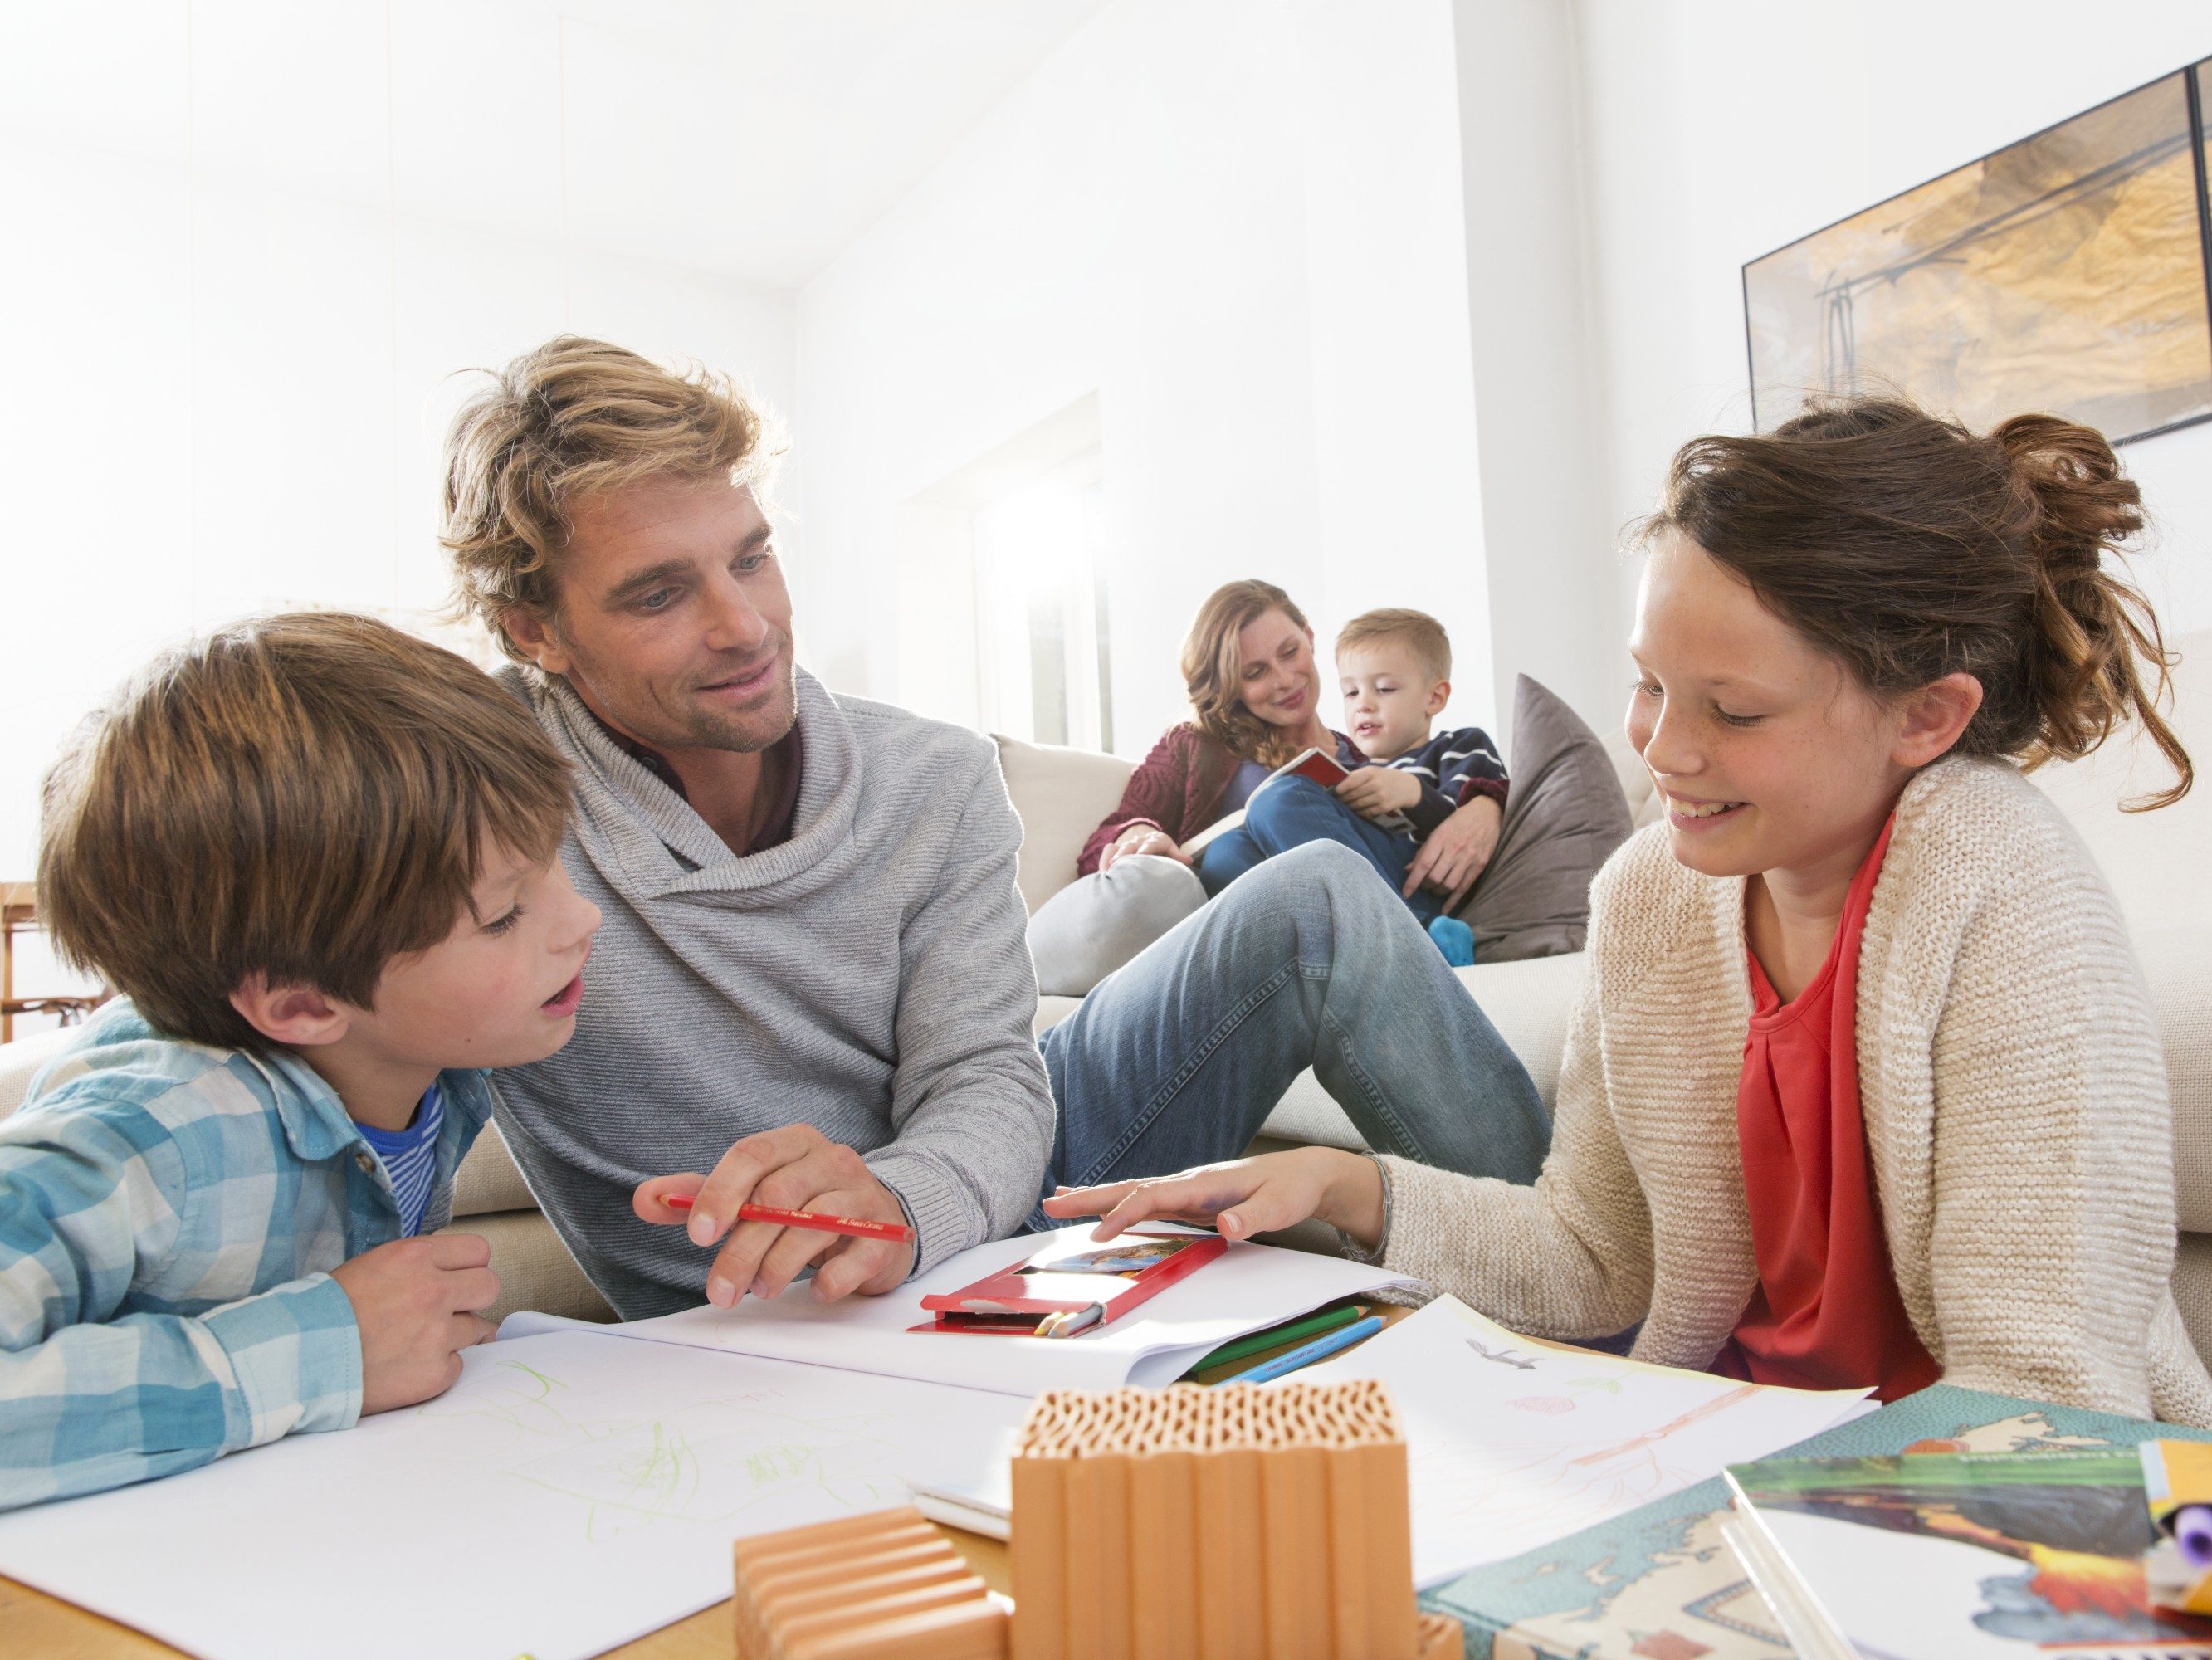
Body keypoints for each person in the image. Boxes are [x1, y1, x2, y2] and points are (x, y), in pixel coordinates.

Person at [1046, 397, 2212, 1425]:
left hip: (1965, 1517)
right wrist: (1346, 1189)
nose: (1657, 747)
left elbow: (2046, 1409)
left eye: (1733, 711)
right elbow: (1598, 1258)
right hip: (1701, 1442)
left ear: (1926, 717)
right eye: (1648, 683)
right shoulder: (1653, 896)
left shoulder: (2007, 895)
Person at [0, 613, 600, 1509]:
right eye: (504, 914)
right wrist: (326, 1347)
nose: (582, 918)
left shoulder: (427, 1063)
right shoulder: (152, 1132)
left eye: (551, 864)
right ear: (303, 1005)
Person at [1028, 582, 1506, 989]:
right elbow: (1107, 836)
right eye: (1254, 673)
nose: (1283, 680)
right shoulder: (1196, 745)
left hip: (1384, 892)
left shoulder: (1374, 752)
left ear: (1310, 637)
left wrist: (1486, 803)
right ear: (1230, 686)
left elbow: (1449, 782)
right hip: (1284, 934)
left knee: (1279, 799)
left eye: (1289, 652)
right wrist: (1134, 835)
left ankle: (1408, 944)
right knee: (1224, 856)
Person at [1193, 607, 1506, 963]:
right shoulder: (1356, 764)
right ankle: (1294, 964)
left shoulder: (1459, 745)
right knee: (1226, 852)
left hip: (1415, 886)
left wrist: (1415, 795)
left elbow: (1469, 823)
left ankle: (1418, 943)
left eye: (1384, 689)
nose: (1364, 706)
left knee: (1280, 798)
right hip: (1356, 882)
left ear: (1434, 697)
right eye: (1351, 693)